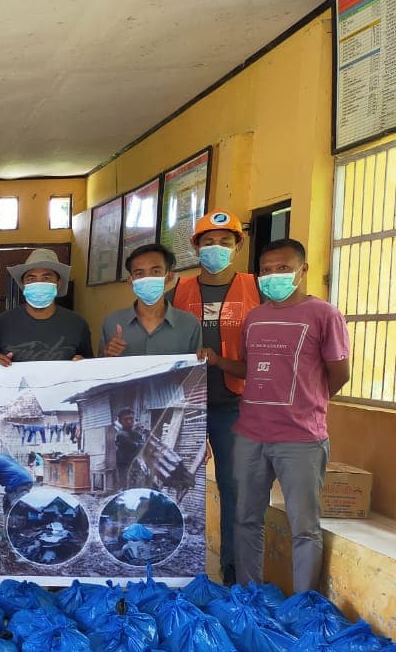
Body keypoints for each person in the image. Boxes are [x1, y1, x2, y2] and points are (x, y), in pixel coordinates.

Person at [231, 238, 350, 594]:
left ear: (303, 270)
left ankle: (302, 604)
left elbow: (339, 373)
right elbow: (248, 368)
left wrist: (308, 403)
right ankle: (249, 595)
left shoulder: (324, 314)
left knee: (305, 528)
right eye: (265, 271)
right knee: (246, 520)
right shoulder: (254, 317)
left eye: (282, 268)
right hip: (250, 435)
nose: (273, 276)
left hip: (301, 440)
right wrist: (218, 361)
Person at [169, 210, 260, 585]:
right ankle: (169, 570)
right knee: (172, 481)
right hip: (183, 403)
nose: (216, 248)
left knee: (235, 488)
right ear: (195, 247)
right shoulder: (178, 290)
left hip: (233, 404)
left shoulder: (256, 288)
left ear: (238, 246)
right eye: (208, 242)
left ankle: (233, 573)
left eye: (225, 241)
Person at [0, 248, 92, 364]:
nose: (39, 283)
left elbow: (89, 368)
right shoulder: (0, 324)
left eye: (46, 278)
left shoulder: (77, 324)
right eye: (31, 278)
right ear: (24, 285)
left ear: (58, 283)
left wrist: (84, 364)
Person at [101, 244, 202, 356]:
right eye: (139, 273)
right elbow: (99, 369)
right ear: (130, 280)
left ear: (169, 277)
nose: (147, 278)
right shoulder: (112, 322)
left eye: (155, 271)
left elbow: (195, 371)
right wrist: (107, 356)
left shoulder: (189, 324)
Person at [114, 409, 146, 488]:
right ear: (120, 421)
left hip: (135, 467)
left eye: (131, 419)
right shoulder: (121, 434)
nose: (129, 421)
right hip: (126, 469)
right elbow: (136, 446)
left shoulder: (133, 433)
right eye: (126, 419)